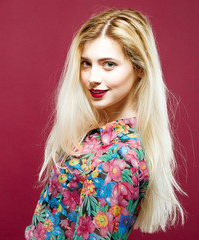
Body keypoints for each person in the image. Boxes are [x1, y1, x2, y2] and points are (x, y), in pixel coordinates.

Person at [25, 8, 185, 240]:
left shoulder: (118, 159)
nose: (92, 77)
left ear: (139, 68)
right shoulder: (98, 137)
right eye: (86, 63)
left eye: (108, 64)